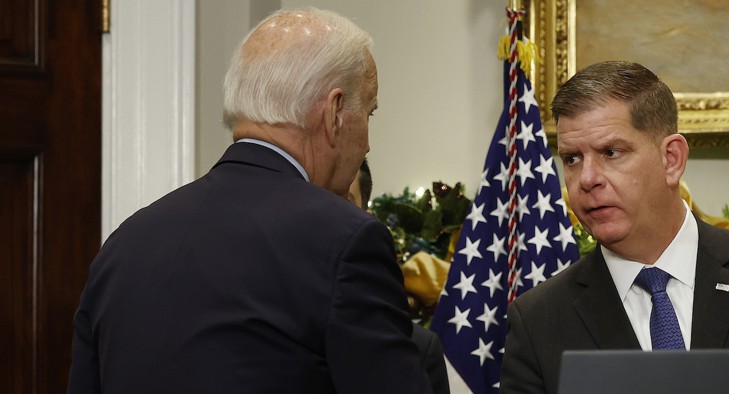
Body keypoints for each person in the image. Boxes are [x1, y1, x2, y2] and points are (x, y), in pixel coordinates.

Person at [68, 8, 431, 394]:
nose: (368, 142)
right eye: (369, 112)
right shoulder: (345, 241)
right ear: (334, 112)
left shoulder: (124, 244)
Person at [500, 61, 729, 394]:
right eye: (572, 159)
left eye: (611, 152)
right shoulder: (538, 320)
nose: (587, 179)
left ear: (672, 159)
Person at [347, 159, 451, 394]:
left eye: (342, 201)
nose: (328, 211)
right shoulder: (274, 333)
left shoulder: (417, 349)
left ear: (367, 218)